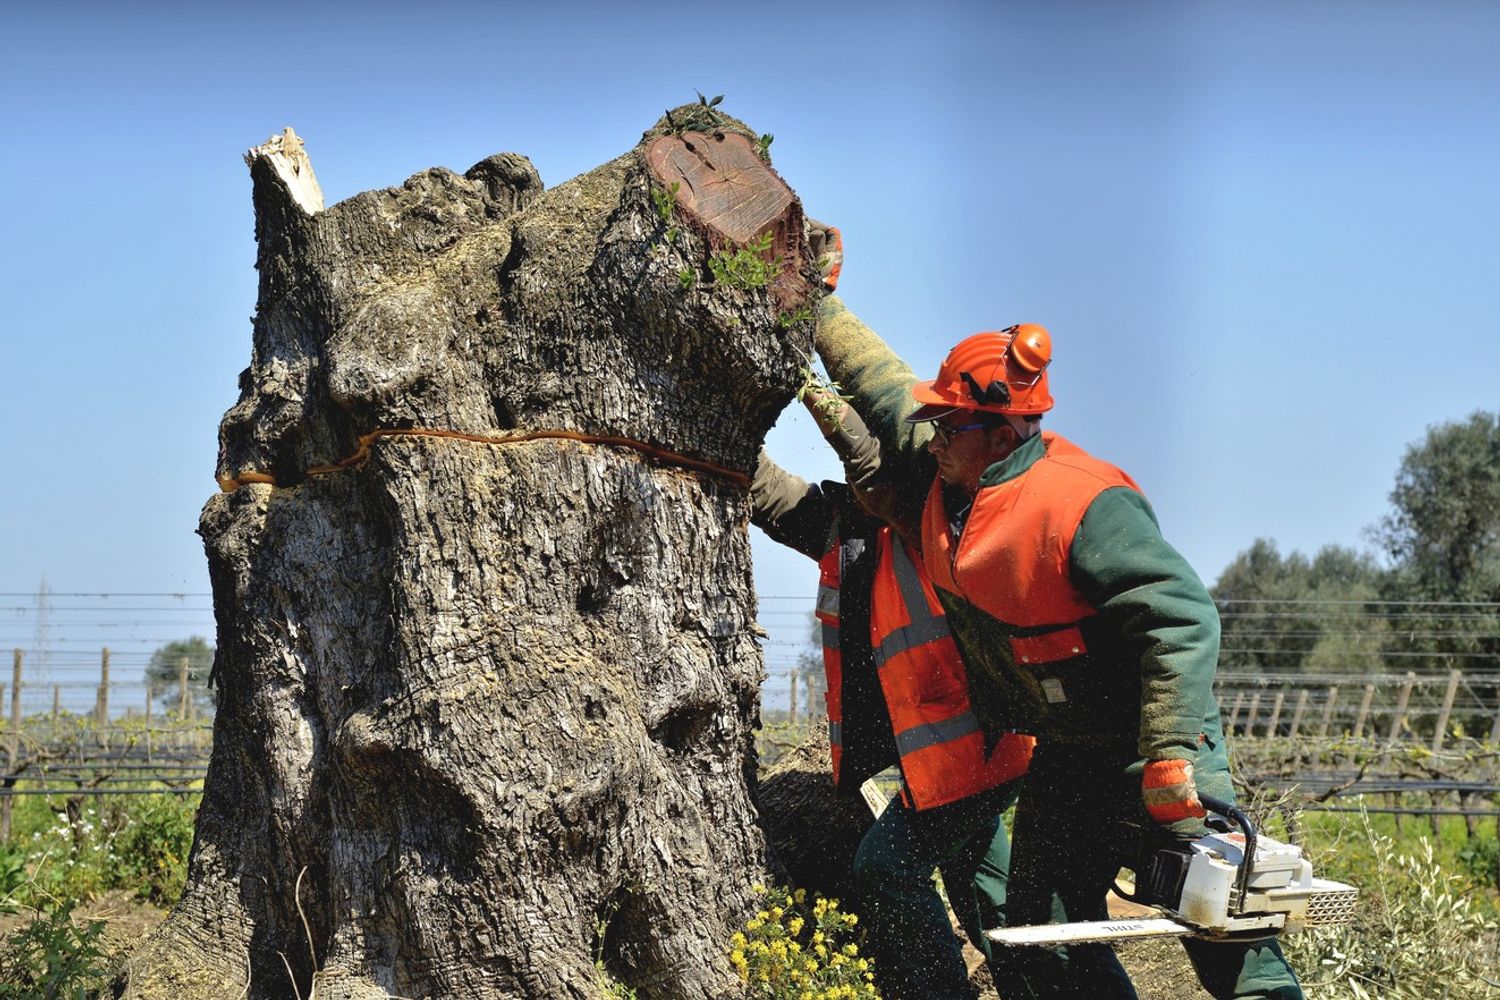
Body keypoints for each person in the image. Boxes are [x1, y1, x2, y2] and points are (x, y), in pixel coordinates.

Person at [808, 295, 1304, 1000]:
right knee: (1040, 931)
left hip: (1149, 746)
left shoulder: (1081, 503)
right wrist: (815, 302)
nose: (935, 437)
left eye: (949, 425)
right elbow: (881, 380)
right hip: (1067, 751)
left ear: (1003, 434)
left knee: (1222, 926)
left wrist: (1168, 753)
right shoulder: (944, 476)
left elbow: (1184, 618)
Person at [751, 387, 1040, 1000]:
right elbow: (773, 496)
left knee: (886, 867)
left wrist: (818, 396)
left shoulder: (948, 518)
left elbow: (867, 462)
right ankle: (1041, 986)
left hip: (973, 753)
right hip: (949, 760)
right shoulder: (856, 526)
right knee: (984, 879)